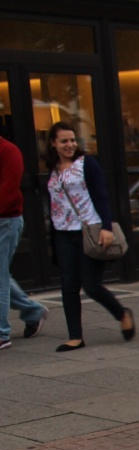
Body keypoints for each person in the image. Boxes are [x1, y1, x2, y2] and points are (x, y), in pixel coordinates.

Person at [45, 121, 135, 351]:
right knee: (68, 286)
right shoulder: (52, 168)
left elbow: (101, 196)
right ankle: (75, 336)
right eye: (64, 141)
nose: (70, 145)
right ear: (53, 143)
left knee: (92, 285)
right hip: (63, 234)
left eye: (73, 140)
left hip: (90, 230)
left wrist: (106, 226)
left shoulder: (87, 164)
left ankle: (122, 313)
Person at [0, 135, 47, 351]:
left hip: (5, 221)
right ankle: (32, 311)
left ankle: (2, 333)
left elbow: (8, 193)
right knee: (1, 275)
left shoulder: (9, 151)